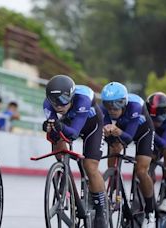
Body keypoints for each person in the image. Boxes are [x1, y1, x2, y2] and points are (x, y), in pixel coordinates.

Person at [43, 75, 109, 228]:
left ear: (72, 96)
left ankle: (101, 211)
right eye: (55, 102)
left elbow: (73, 133)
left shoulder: (84, 99)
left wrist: (57, 126)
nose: (59, 106)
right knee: (59, 152)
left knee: (90, 166)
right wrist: (49, 128)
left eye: (63, 100)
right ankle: (65, 180)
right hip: (68, 123)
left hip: (92, 126)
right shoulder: (47, 104)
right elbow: (55, 132)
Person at [100, 82, 156, 228]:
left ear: (124, 102)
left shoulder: (136, 105)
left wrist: (116, 131)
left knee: (142, 171)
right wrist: (107, 133)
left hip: (142, 132)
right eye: (108, 105)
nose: (112, 109)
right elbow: (110, 137)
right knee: (114, 149)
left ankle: (151, 212)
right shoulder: (103, 110)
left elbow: (128, 137)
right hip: (121, 130)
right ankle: (113, 186)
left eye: (117, 104)